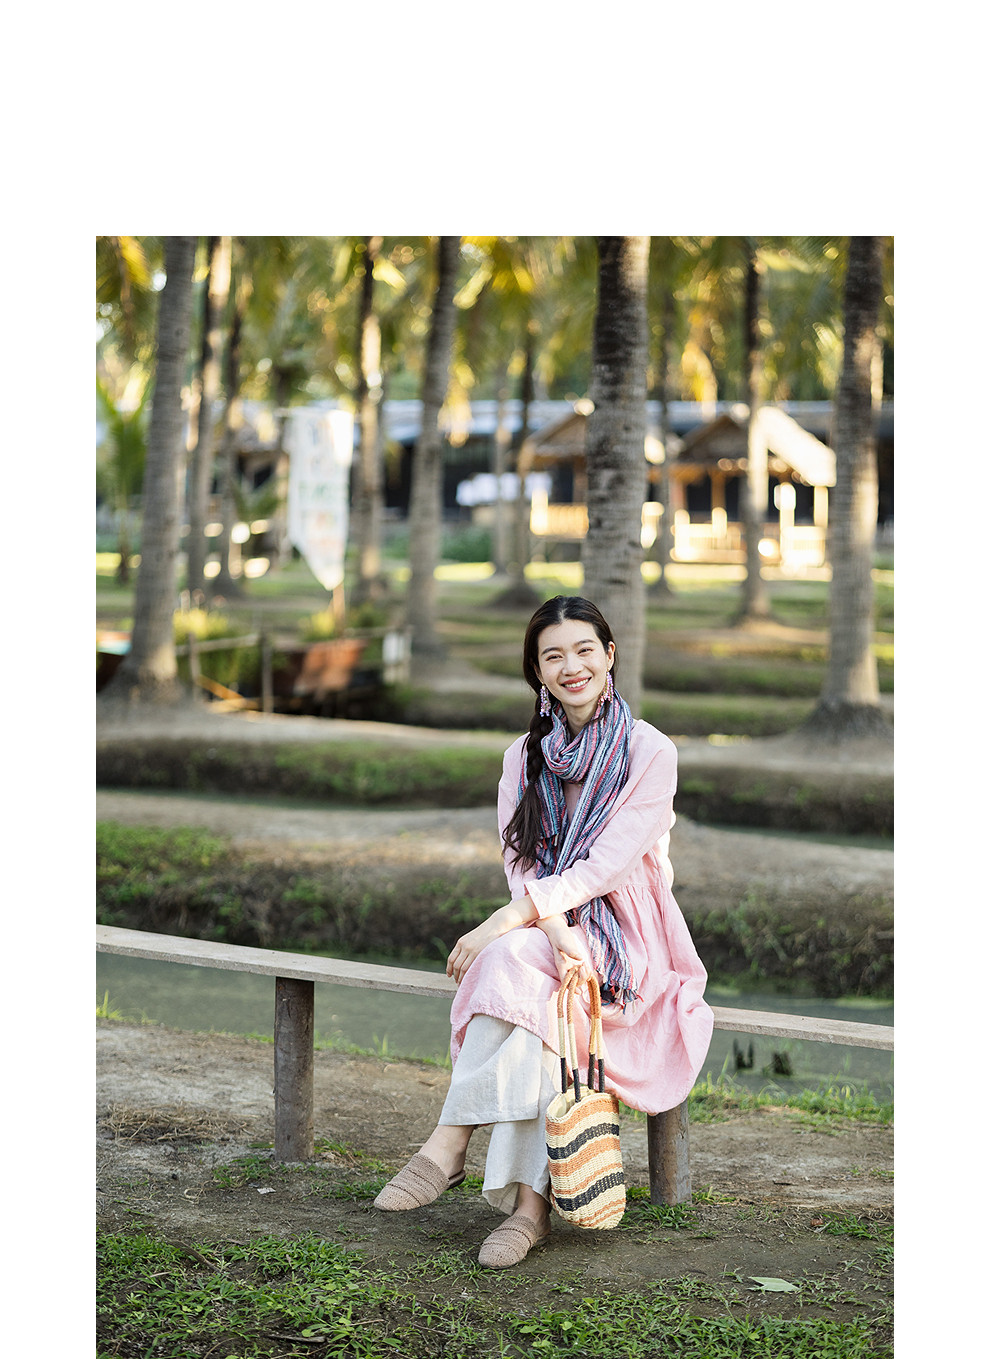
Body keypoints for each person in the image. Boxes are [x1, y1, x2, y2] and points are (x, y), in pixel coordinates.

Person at [374, 595, 713, 1267]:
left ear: (609, 655)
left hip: (627, 933)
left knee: (508, 958)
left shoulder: (651, 752)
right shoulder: (522, 757)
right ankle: (529, 1211)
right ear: (537, 670)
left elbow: (606, 866)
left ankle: (451, 1141)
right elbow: (521, 862)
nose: (571, 666)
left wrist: (511, 919)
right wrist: (556, 933)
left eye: (584, 649)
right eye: (553, 655)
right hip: (552, 924)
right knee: (533, 988)